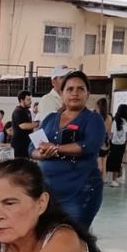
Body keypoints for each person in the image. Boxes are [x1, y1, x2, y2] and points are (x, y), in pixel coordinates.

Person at [32, 70, 106, 227]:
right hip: (47, 192)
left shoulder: (93, 119)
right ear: (61, 93)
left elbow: (90, 145)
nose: (75, 93)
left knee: (73, 235)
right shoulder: (50, 119)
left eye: (80, 89)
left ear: (88, 94)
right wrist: (41, 153)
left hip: (80, 192)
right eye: (70, 89)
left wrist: (56, 148)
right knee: (47, 235)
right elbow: (32, 147)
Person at [106, 103, 127, 188]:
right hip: (122, 144)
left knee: (109, 161)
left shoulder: (114, 119)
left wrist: (108, 142)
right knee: (118, 161)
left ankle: (103, 178)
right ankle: (114, 180)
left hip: (113, 143)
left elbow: (110, 133)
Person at [11, 90, 36, 158]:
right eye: (28, 99)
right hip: (19, 145)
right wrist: (38, 124)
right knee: (20, 163)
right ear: (22, 100)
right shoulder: (18, 111)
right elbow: (23, 126)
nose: (30, 102)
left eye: (30, 99)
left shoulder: (27, 111)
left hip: (26, 143)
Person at [95, 97, 112, 180]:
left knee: (98, 164)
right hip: (105, 143)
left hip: (97, 142)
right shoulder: (109, 117)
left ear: (99, 106)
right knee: (104, 164)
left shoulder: (96, 117)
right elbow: (109, 133)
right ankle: (103, 181)